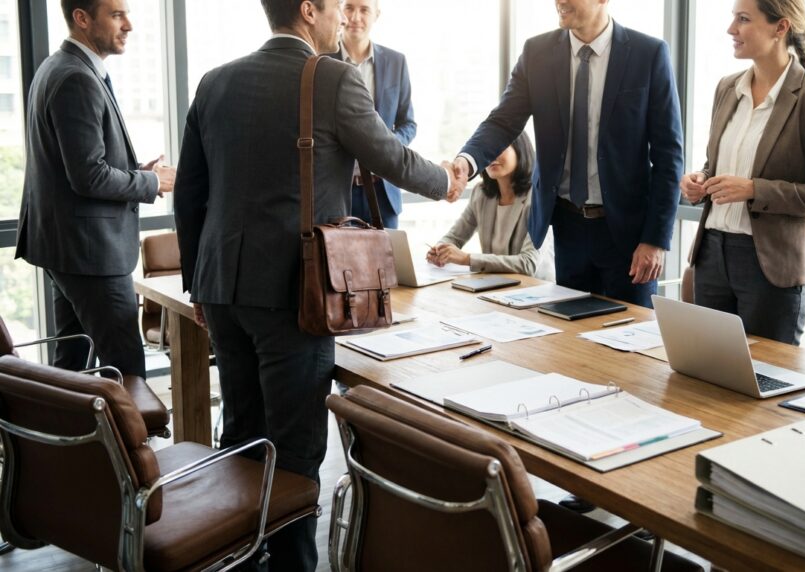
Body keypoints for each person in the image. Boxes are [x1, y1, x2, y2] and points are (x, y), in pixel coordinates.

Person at [173, 0, 464, 568]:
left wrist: (198, 283)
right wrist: (447, 183)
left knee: (244, 436)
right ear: (309, 11)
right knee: (297, 452)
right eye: (335, 8)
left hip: (221, 289)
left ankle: (244, 557)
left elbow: (190, 192)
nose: (343, 21)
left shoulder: (215, 81)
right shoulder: (332, 77)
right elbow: (391, 157)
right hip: (294, 292)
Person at [454, 0, 683, 309]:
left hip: (628, 235)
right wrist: (466, 162)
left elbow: (669, 156)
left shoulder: (648, 54)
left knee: (631, 344)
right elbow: (503, 121)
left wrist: (655, 240)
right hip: (567, 228)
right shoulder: (537, 53)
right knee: (571, 344)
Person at [15, 0, 175, 378]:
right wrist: (152, 182)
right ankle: (134, 439)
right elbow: (88, 176)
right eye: (117, 15)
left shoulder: (61, 67)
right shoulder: (77, 78)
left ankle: (63, 436)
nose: (129, 25)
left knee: (72, 365)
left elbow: (79, 163)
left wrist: (135, 170)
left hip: (66, 249)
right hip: (90, 254)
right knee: (126, 368)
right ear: (82, 19)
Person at [680, 0, 805, 345]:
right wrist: (700, 180)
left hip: (770, 265)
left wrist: (755, 189)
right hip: (711, 254)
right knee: (707, 378)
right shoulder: (727, 88)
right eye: (733, 19)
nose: (731, 29)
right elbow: (719, 165)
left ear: (780, 27)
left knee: (765, 383)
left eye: (743, 20)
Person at [427, 132, 554, 280]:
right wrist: (439, 249)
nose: (492, 155)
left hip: (536, 290)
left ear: (521, 151)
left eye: (500, 148)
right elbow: (455, 236)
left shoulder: (539, 197)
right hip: (497, 287)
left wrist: (466, 259)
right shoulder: (481, 194)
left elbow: (528, 264)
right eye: (488, 150)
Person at [331, 0, 413, 228]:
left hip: (383, 191)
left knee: (386, 264)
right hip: (339, 192)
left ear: (376, 14)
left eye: (364, 9)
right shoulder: (322, 60)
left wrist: (387, 147)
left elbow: (408, 123)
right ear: (340, 12)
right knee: (340, 263)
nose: (355, 17)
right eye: (349, 8)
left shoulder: (396, 62)